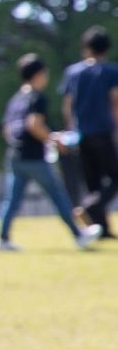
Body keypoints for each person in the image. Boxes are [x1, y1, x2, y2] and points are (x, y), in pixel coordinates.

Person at [0, 53, 101, 251]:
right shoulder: (37, 98)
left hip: (14, 156)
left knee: (11, 200)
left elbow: (7, 129)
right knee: (58, 194)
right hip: (34, 157)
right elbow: (34, 124)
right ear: (37, 74)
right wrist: (53, 140)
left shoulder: (16, 99)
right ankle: (79, 235)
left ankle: (3, 239)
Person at [60, 26, 118, 238]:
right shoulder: (111, 71)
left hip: (81, 134)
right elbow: (115, 102)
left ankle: (102, 229)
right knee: (114, 177)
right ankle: (90, 207)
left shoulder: (73, 72)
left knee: (92, 182)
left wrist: (69, 130)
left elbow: (67, 104)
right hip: (103, 131)